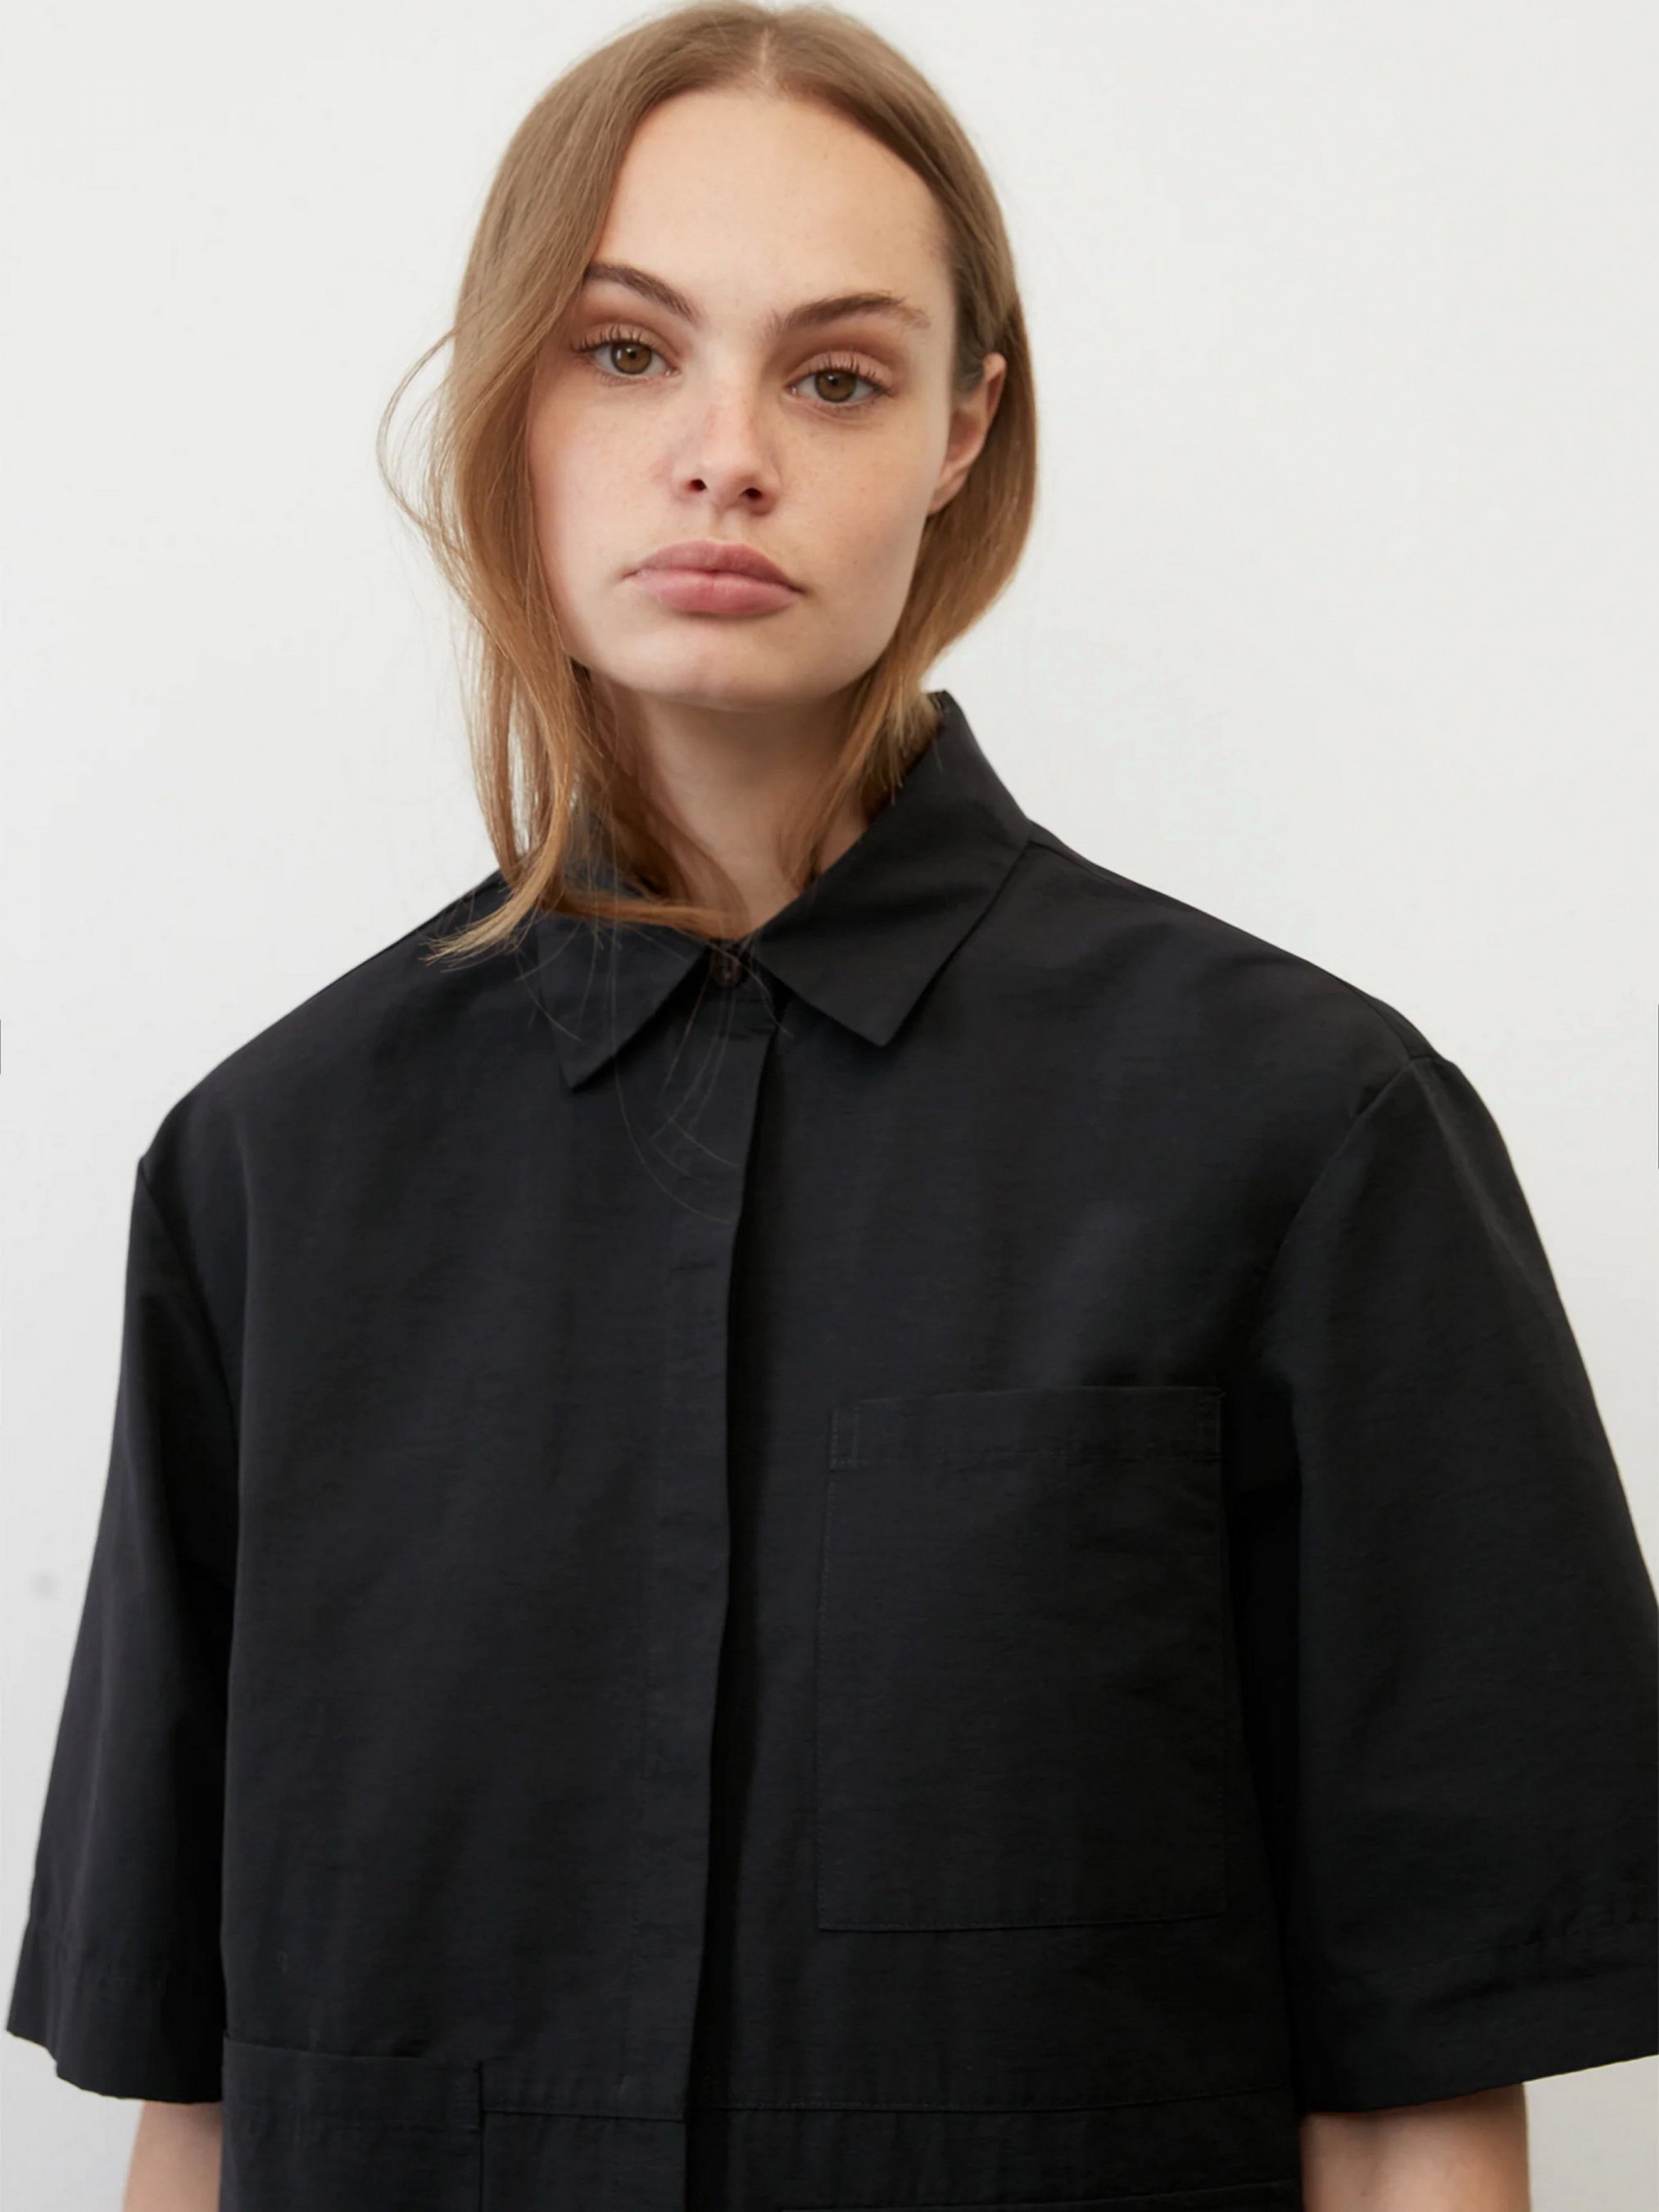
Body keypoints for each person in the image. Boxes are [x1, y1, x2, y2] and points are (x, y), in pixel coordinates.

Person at [9, 6, 1655, 2210]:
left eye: (838, 375)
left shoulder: (1310, 1137)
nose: (725, 455)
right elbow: (195, 2103)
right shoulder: (265, 1175)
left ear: (963, 430)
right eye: (625, 352)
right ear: (510, 398)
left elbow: (1416, 2104)